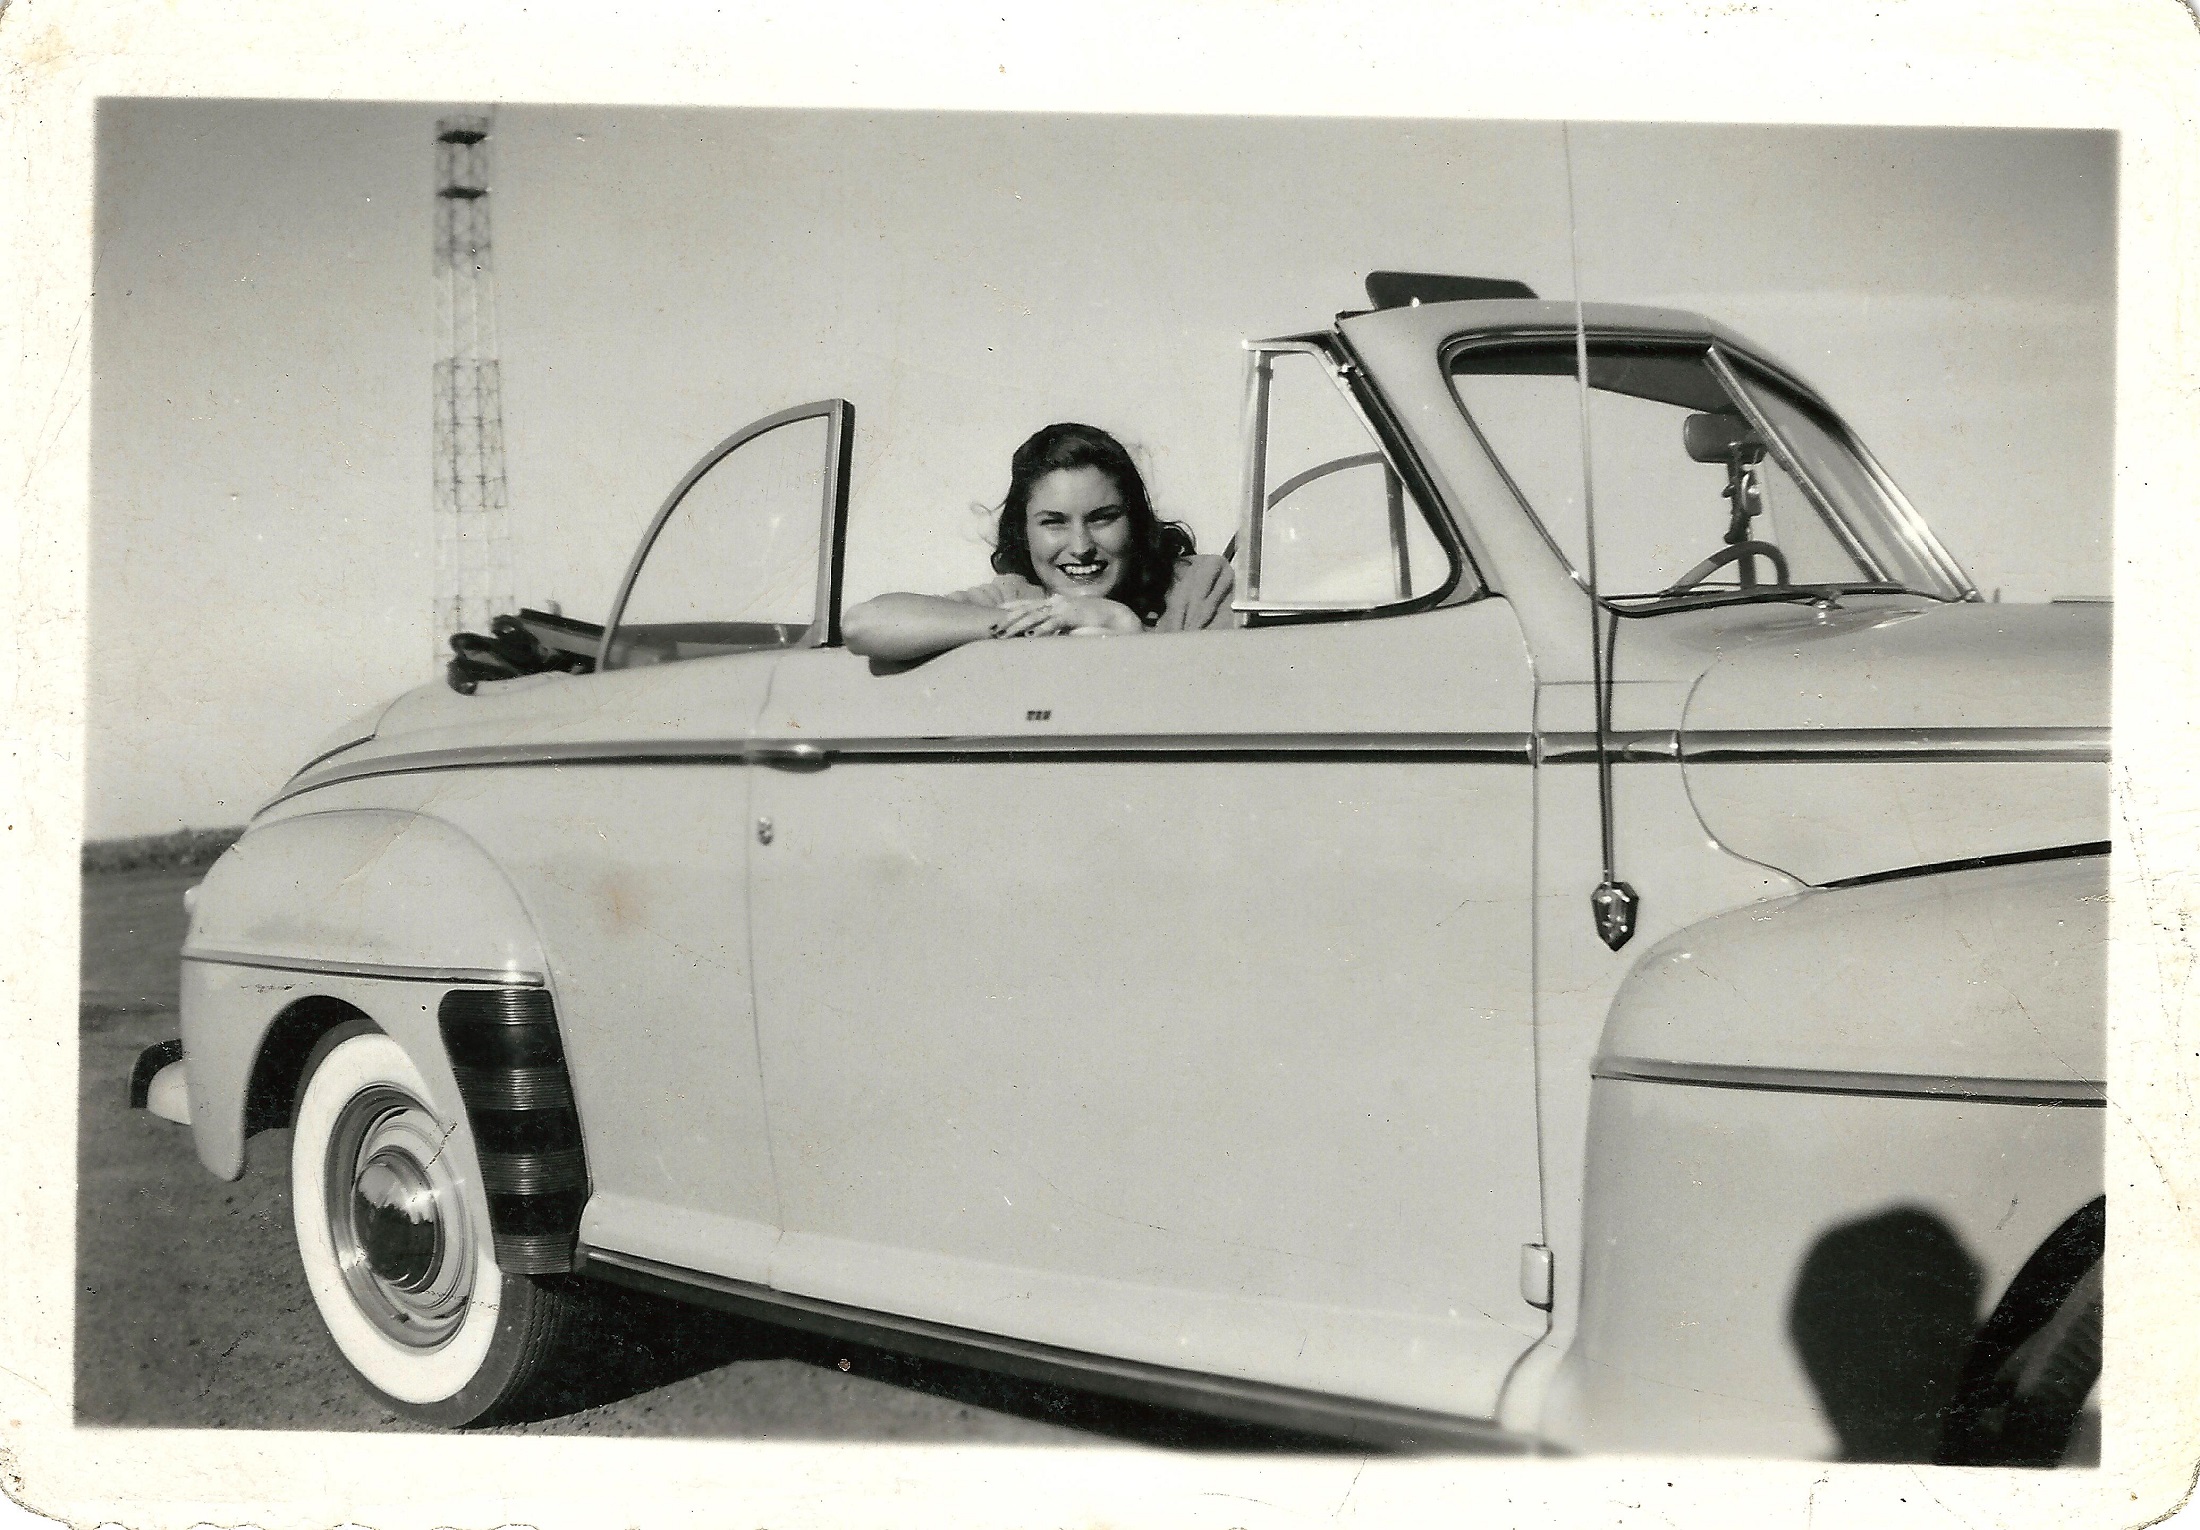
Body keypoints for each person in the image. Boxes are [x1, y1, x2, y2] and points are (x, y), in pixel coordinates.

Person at [842, 422, 1234, 661]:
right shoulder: (1018, 595)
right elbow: (865, 624)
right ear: (1024, 532)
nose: (1080, 546)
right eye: (1054, 522)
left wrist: (1119, 622)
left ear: (1135, 521)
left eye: (1102, 518)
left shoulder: (1199, 585)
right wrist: (1041, 621)